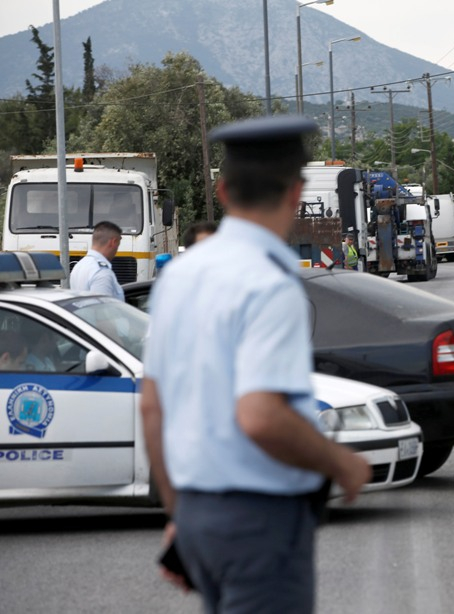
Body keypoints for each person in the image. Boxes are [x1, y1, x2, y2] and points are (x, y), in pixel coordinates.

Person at [140, 115, 371, 613]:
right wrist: (341, 463)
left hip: (200, 514)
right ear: (296, 193)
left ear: (222, 192)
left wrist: (183, 512)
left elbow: (153, 407)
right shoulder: (270, 284)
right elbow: (261, 417)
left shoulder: (179, 277)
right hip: (259, 523)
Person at [69, 221, 124, 300]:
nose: (116, 250)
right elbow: (103, 309)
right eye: (118, 245)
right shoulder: (101, 272)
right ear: (113, 242)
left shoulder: (79, 266)